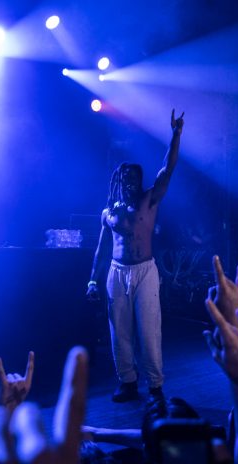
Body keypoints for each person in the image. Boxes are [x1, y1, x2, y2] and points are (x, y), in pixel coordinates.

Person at [87, 109, 184, 402]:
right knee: (119, 330)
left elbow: (167, 169)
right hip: (116, 272)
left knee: (149, 329)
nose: (129, 181)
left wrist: (176, 135)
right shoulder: (109, 212)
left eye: (133, 177)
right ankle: (127, 382)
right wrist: (92, 280)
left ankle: (155, 386)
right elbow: (102, 248)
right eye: (125, 177)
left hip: (145, 271)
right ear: (118, 181)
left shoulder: (149, 200)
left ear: (139, 179)